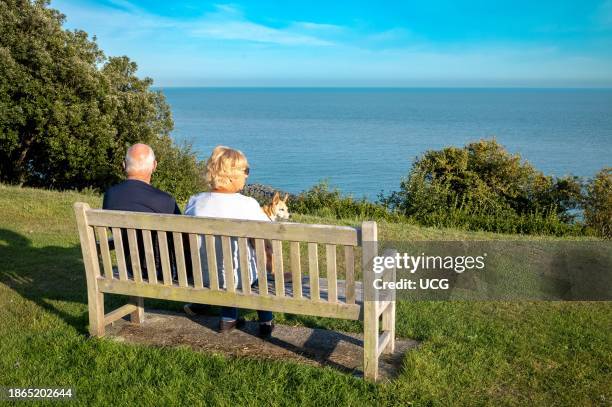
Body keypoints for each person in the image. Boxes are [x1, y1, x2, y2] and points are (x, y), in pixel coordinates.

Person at [184, 146, 274, 337]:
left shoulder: (195, 202)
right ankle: (266, 321)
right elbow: (268, 237)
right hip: (240, 277)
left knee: (226, 266)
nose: (247, 176)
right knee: (252, 270)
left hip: (206, 276)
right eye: (245, 171)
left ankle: (228, 319)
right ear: (231, 176)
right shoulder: (248, 204)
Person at [103, 143, 181, 281]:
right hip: (161, 274)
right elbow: (181, 238)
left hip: (127, 270)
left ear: (124, 165)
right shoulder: (165, 200)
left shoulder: (110, 195)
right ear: (154, 165)